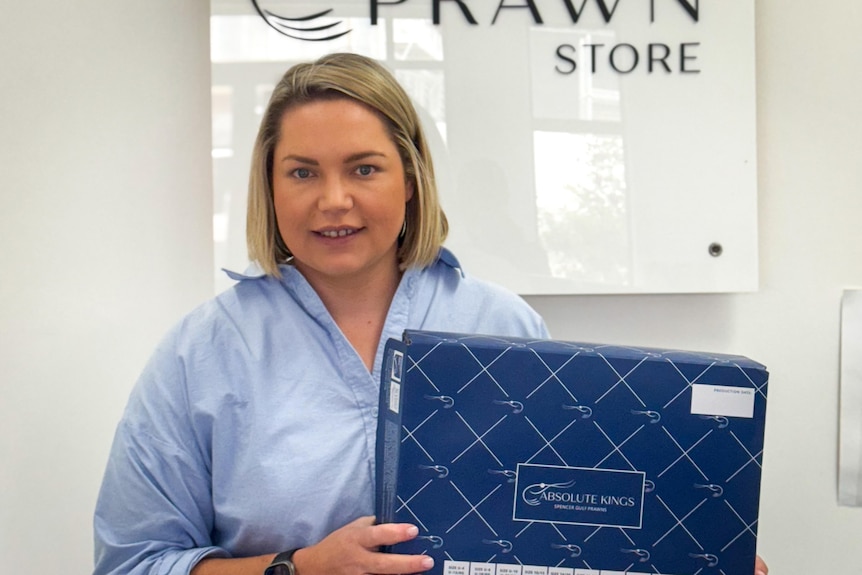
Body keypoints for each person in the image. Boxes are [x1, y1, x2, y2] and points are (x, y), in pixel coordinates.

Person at [93, 53, 768, 575]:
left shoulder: (504, 326)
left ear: (411, 180)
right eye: (301, 172)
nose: (333, 200)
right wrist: (295, 567)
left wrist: (684, 559)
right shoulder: (202, 352)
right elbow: (132, 560)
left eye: (364, 169)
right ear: (268, 188)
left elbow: (563, 532)